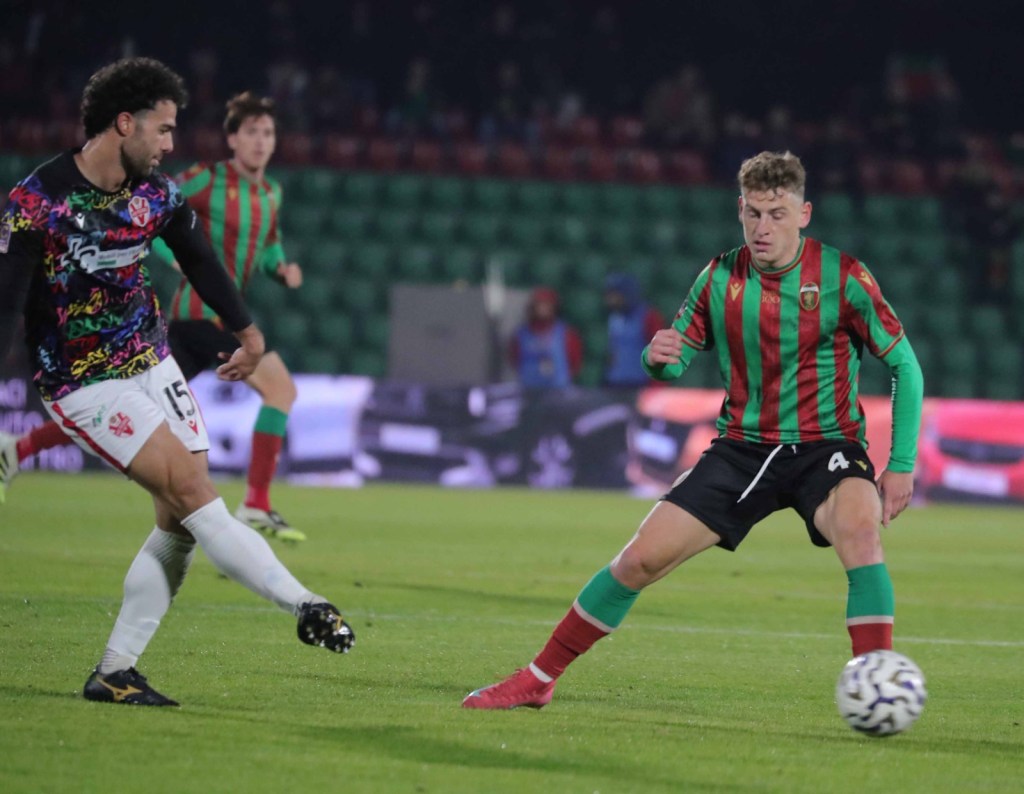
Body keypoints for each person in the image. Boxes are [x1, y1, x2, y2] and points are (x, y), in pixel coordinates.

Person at [463, 150, 924, 710]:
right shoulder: (719, 276)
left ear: (804, 213)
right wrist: (657, 358)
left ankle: (877, 687)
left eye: (777, 214)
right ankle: (538, 679)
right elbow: (672, 362)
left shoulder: (843, 277)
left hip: (826, 447)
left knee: (861, 532)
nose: (762, 227)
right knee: (638, 561)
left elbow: (904, 365)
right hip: (741, 449)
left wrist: (900, 463)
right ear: (739, 210)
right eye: (753, 213)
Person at [0, 57, 354, 707]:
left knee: (179, 520)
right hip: (83, 380)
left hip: (150, 359)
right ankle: (305, 603)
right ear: (124, 123)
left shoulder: (155, 194)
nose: (169, 145)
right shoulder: (39, 200)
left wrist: (248, 332)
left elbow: (198, 259)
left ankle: (115, 672)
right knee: (194, 490)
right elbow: (6, 303)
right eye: (162, 131)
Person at [2, 92, 307, 544]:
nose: (260, 142)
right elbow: (150, 211)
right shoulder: (205, 179)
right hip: (197, 316)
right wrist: (173, 257)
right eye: (251, 133)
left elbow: (268, 243)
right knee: (280, 388)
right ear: (232, 139)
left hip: (203, 326)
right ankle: (256, 505)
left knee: (122, 410)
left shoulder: (271, 193)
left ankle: (17, 448)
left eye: (268, 133)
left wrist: (279, 268)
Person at [508, 286, 583, 388]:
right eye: (539, 304)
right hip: (529, 391)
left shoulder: (566, 334)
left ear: (554, 307)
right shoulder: (521, 334)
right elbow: (515, 359)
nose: (543, 308)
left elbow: (575, 363)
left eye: (547, 304)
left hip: (558, 391)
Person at [602, 272, 664, 388]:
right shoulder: (614, 318)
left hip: (639, 384)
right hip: (615, 383)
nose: (610, 300)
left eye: (615, 296)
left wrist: (656, 385)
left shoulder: (648, 316)